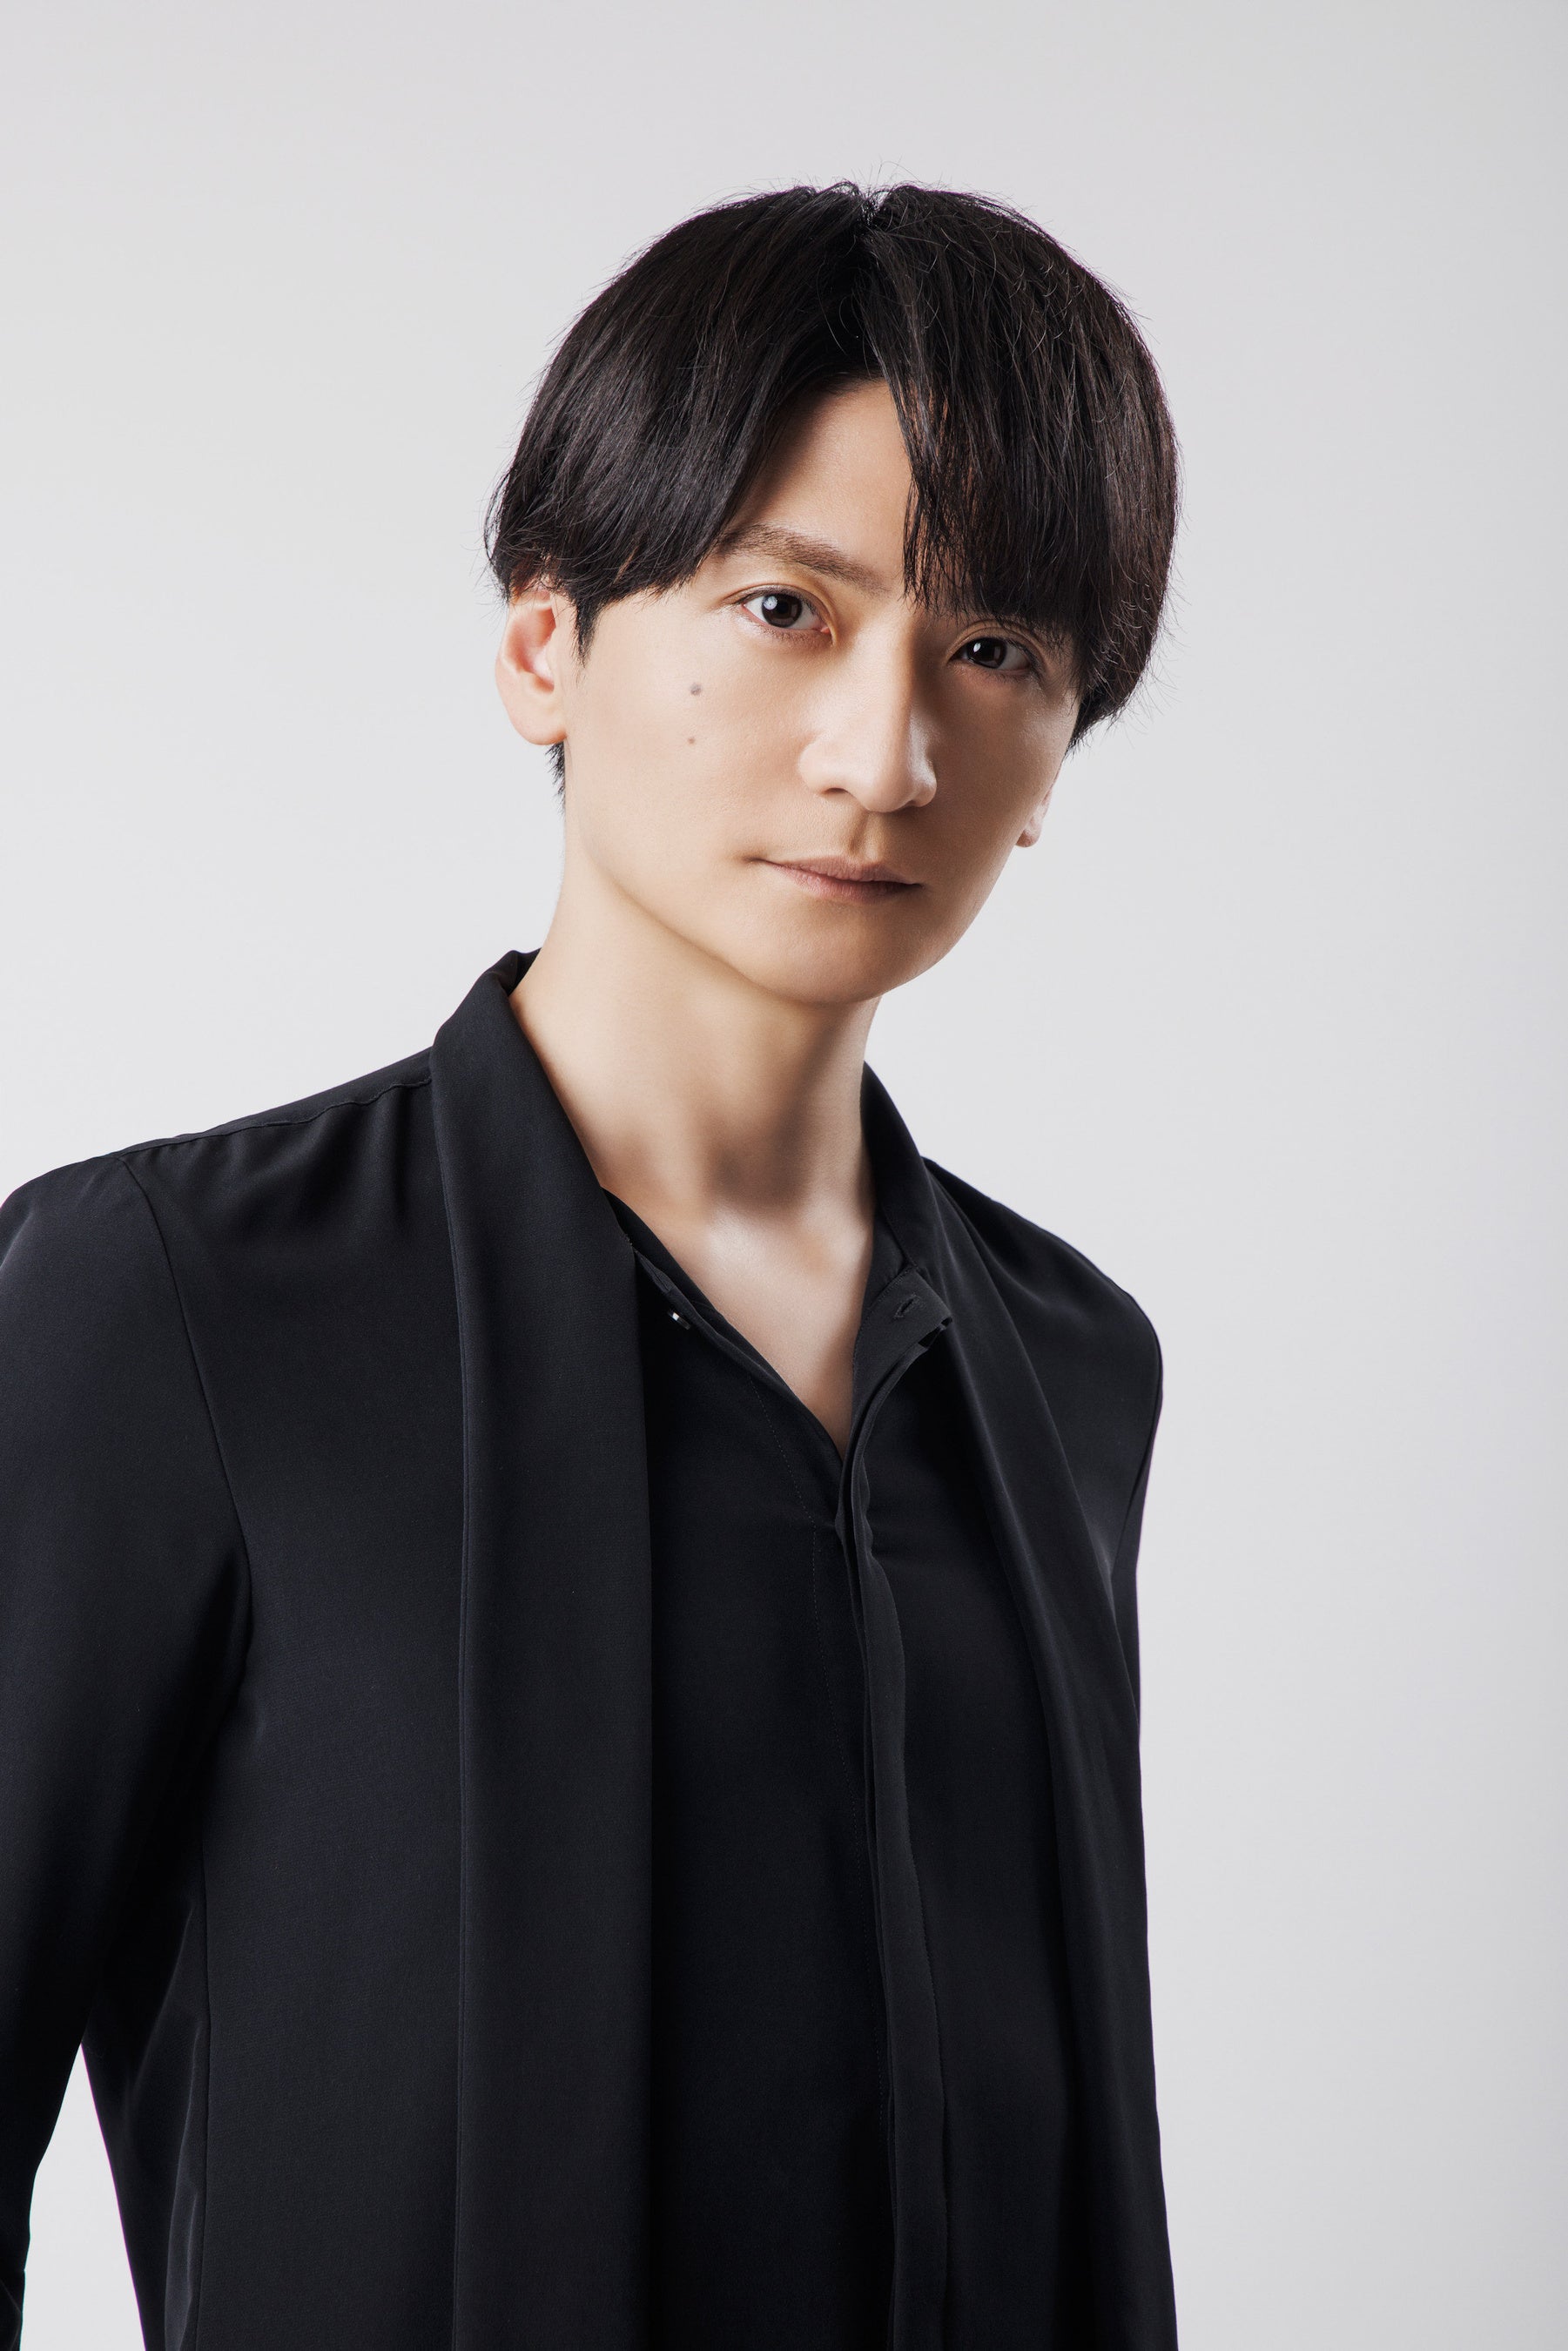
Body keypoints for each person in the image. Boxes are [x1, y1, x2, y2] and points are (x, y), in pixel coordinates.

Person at [0, 183, 1181, 2351]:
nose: (884, 754)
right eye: (783, 608)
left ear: (1054, 759)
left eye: (994, 649)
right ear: (545, 644)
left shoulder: (1068, 1364)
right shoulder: (160, 1307)